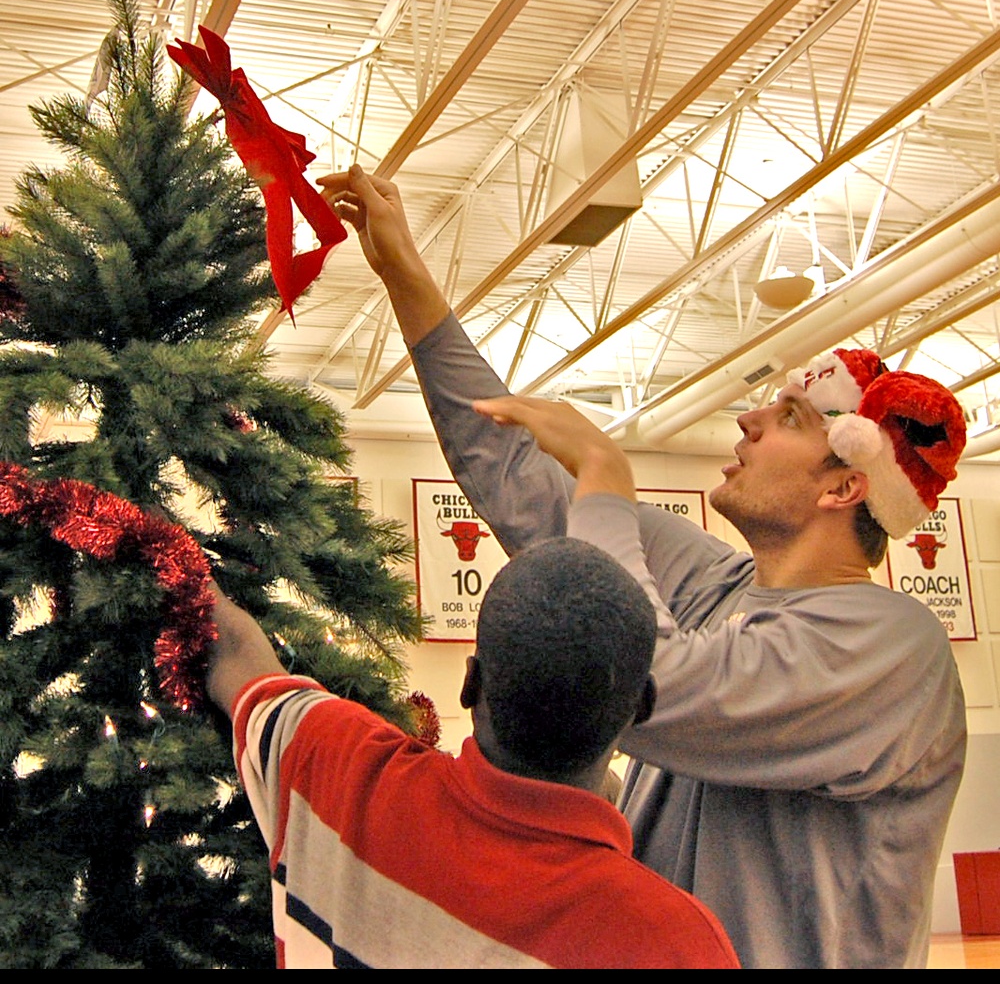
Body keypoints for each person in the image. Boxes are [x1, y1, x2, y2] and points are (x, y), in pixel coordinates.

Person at [316, 163, 968, 969]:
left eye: (790, 416)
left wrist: (606, 477)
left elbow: (641, 679)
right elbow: (520, 477)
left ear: (844, 483)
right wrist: (405, 275)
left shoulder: (893, 649)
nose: (750, 417)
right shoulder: (725, 586)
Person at [206, 488, 741, 966]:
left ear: (469, 685)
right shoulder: (672, 943)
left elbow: (228, 648)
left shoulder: (336, 764)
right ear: (643, 706)